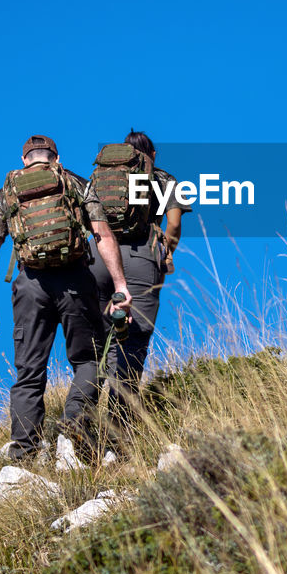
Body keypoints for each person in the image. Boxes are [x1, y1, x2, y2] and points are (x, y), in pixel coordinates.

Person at [0, 134, 133, 464]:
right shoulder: (71, 181)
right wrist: (120, 286)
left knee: (29, 373)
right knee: (90, 359)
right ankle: (74, 425)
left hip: (30, 285)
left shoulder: (8, 190)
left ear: (25, 160)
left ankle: (24, 454)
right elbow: (101, 234)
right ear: (55, 157)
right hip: (75, 279)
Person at [89, 129, 190, 450]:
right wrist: (166, 251)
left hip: (97, 258)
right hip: (140, 257)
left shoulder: (101, 178)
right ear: (153, 155)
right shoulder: (162, 178)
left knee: (94, 343)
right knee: (131, 344)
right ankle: (115, 439)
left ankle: (79, 421)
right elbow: (173, 223)